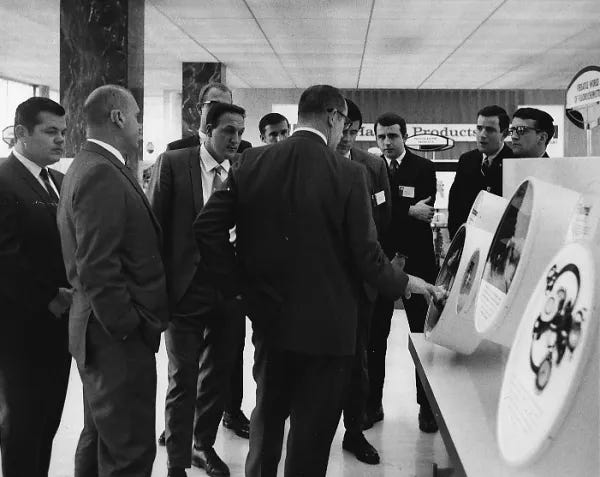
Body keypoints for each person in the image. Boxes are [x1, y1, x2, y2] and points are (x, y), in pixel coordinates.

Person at [193, 85, 441, 477]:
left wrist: (239, 287)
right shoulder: (349, 174)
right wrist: (408, 282)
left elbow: (207, 226)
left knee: (267, 418)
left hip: (270, 320)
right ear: (332, 116)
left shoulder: (251, 161)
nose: (343, 130)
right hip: (330, 328)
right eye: (343, 121)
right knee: (310, 434)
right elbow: (368, 257)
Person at [57, 85, 169, 477]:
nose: (140, 125)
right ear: (118, 117)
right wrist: (128, 326)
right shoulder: (101, 172)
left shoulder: (90, 164)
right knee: (129, 452)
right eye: (136, 116)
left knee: (100, 438)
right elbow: (97, 265)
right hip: (114, 338)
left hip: (99, 332)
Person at [147, 103, 248, 477]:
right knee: (182, 378)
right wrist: (158, 291)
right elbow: (154, 228)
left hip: (228, 291)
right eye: (228, 131)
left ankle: (202, 445)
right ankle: (176, 462)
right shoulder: (175, 163)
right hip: (184, 289)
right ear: (206, 130)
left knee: (218, 376)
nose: (235, 139)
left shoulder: (243, 168)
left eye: (240, 131)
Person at [0, 97, 72, 477]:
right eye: (50, 132)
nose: (60, 140)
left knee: (48, 421)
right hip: (20, 328)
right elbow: (5, 256)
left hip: (59, 326)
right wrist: (48, 297)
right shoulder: (3, 179)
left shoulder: (59, 182)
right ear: (21, 133)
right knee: (23, 426)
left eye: (63, 132)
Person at [367, 112, 439, 433]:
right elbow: (374, 214)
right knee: (375, 337)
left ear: (405, 136)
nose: (387, 143)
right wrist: (408, 209)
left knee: (422, 337)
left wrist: (402, 254)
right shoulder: (370, 169)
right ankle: (372, 403)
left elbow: (424, 214)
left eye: (393, 136)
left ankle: (427, 407)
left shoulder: (423, 168)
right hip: (380, 265)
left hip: (417, 262)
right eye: (381, 137)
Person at [335, 98, 390, 465]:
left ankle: (354, 430)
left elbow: (383, 218)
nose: (347, 138)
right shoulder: (315, 162)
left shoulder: (372, 165)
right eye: (343, 130)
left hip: (361, 282)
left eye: (353, 132)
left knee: (359, 362)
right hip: (321, 282)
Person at [447, 105, 514, 239]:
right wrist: (457, 239)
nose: (482, 135)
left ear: (504, 134)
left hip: (498, 242)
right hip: (467, 240)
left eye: (490, 130)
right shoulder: (466, 160)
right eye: (479, 128)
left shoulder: (513, 162)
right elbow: (455, 204)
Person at [168, 82, 252, 153]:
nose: (221, 110)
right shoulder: (176, 149)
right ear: (200, 108)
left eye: (226, 107)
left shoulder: (243, 149)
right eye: (215, 104)